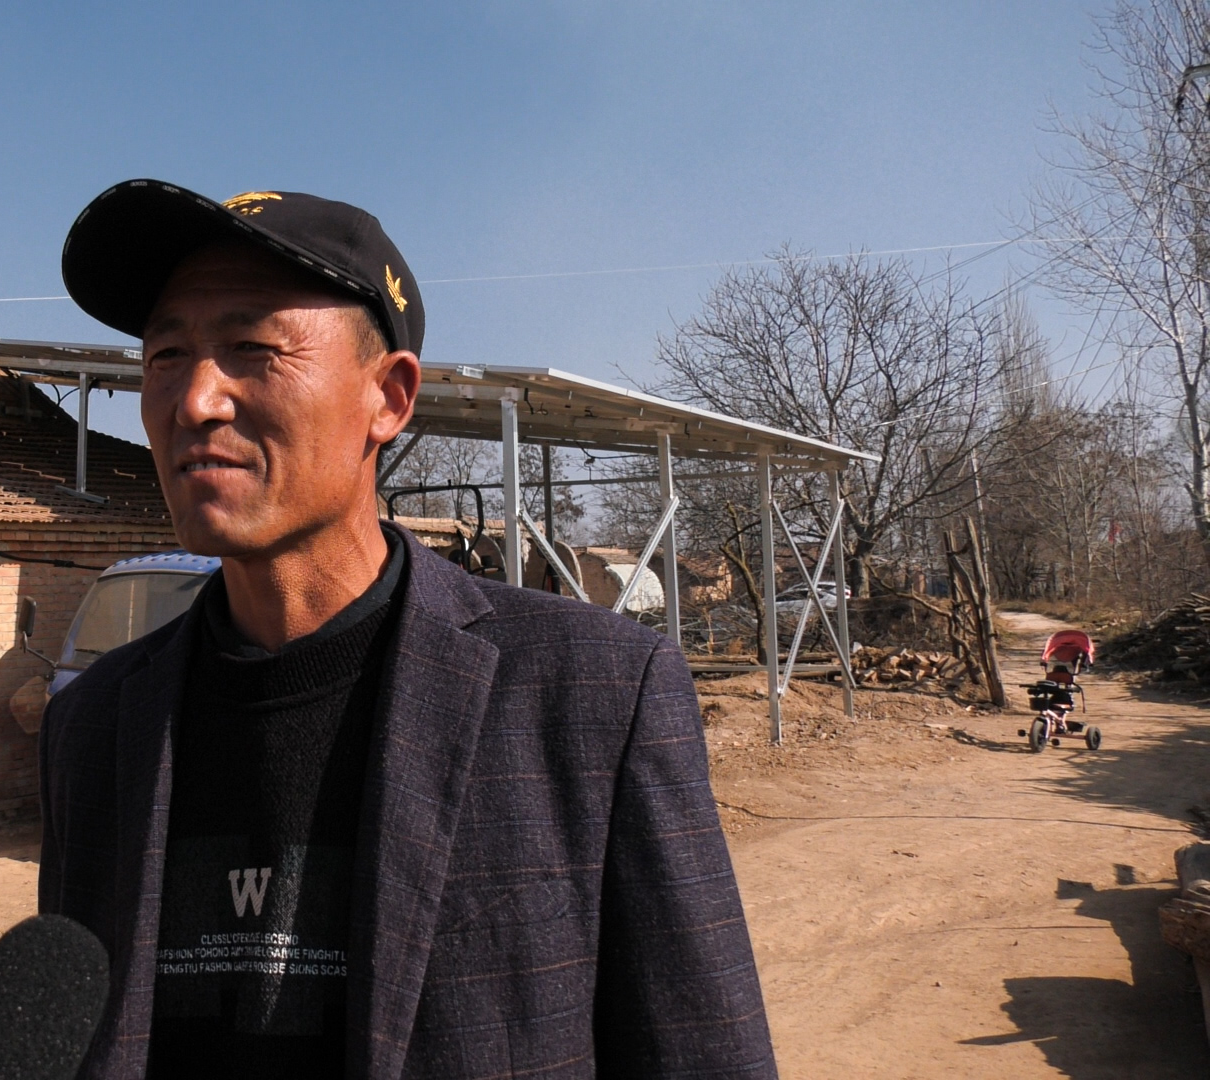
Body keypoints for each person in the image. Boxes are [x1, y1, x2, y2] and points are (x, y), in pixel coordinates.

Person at [39, 179, 776, 1080]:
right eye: (165, 355)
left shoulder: (594, 699)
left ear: (388, 398)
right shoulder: (93, 729)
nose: (194, 401)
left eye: (251, 348)